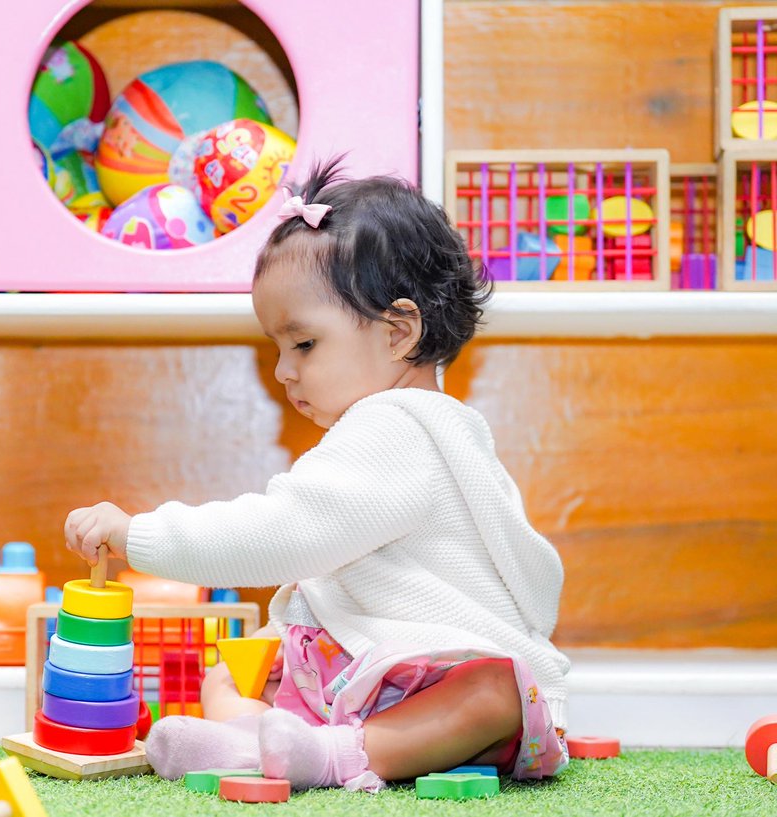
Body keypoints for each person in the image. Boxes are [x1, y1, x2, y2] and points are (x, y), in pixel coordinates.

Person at [62, 159, 570, 793]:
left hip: (427, 678)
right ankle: (258, 743)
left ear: (399, 333)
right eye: (276, 347)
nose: (282, 370)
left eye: (303, 345)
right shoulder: (393, 430)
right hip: (360, 674)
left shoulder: (398, 431)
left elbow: (285, 532)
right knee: (237, 670)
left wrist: (139, 534)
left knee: (493, 693)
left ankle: (331, 756)